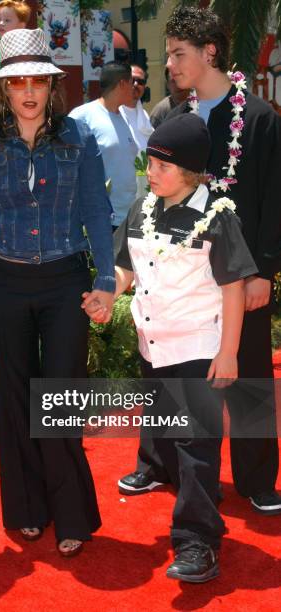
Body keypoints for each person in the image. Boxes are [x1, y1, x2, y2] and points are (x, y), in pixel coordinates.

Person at [119, 5, 281, 516]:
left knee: (248, 373)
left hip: (240, 274)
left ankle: (256, 478)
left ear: (210, 52)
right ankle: (159, 462)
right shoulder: (168, 115)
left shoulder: (257, 119)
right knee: (164, 369)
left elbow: (274, 199)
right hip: (175, 276)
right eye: (168, 54)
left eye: (178, 54)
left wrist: (264, 271)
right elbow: (153, 196)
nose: (170, 64)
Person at [84, 113, 258, 582]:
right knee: (163, 420)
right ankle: (156, 468)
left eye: (161, 165)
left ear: (190, 172)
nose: (151, 172)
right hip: (153, 341)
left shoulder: (217, 218)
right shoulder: (143, 208)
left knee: (197, 445)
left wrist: (229, 353)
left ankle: (197, 540)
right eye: (151, 163)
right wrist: (108, 293)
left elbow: (233, 289)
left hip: (200, 347)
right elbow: (127, 267)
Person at [0, 28, 115, 557]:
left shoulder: (79, 136)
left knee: (60, 399)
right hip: (5, 284)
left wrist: (106, 280)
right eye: (17, 82)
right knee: (15, 399)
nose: (28, 91)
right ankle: (27, 508)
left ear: (52, 86)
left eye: (37, 81)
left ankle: (72, 513)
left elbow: (98, 211)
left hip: (66, 283)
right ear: (3, 90)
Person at [69, 62, 138, 231]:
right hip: (100, 218)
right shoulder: (82, 116)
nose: (135, 88)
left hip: (128, 216)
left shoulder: (125, 117)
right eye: (132, 83)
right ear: (122, 83)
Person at [119, 64, 154, 152]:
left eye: (140, 82)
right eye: (132, 80)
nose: (135, 84)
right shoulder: (113, 112)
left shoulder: (144, 116)